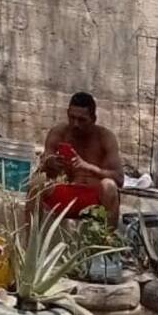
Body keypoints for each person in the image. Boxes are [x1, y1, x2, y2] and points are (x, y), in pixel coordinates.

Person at [40, 91, 122, 223]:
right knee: (36, 183)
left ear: (93, 119)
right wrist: (50, 162)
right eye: (72, 118)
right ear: (67, 114)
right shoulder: (59, 133)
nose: (75, 124)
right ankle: (30, 241)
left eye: (82, 120)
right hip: (66, 193)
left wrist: (88, 167)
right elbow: (43, 163)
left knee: (109, 186)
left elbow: (119, 179)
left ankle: (107, 242)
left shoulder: (105, 137)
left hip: (94, 198)